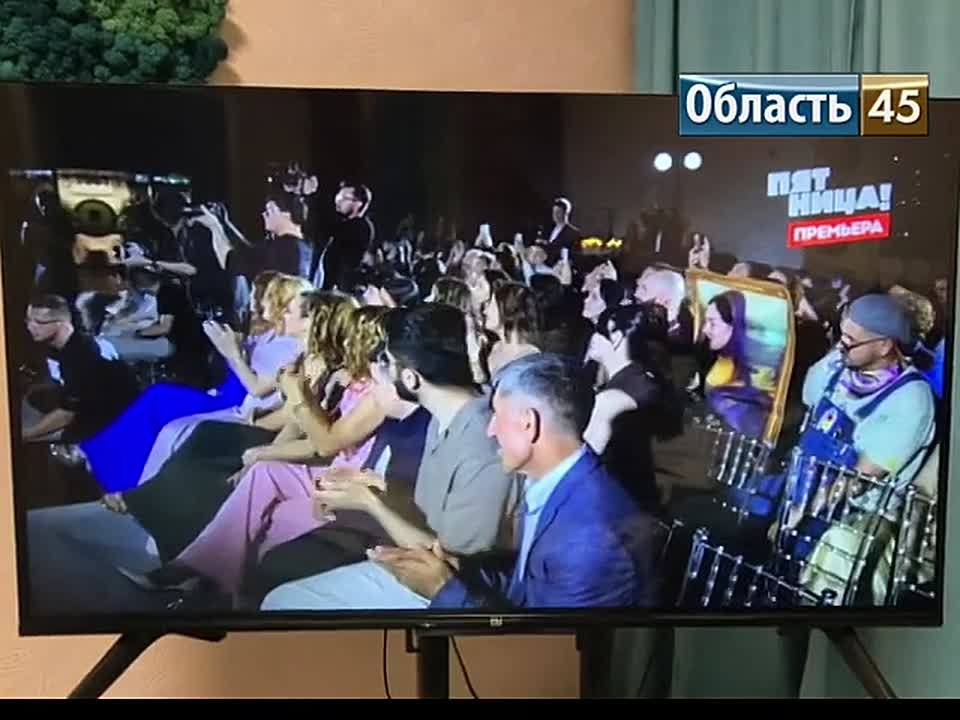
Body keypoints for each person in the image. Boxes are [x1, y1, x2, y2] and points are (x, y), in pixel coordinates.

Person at [260, 304, 520, 611]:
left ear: (410, 379)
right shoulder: (445, 417)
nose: (377, 373)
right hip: (441, 568)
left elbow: (449, 565)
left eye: (386, 363)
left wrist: (371, 503)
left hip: (464, 594)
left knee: (281, 600)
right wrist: (378, 486)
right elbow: (432, 513)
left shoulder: (483, 446)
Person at [369, 353, 659, 609]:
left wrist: (443, 590)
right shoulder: (552, 484)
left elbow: (545, 644)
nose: (490, 430)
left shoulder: (588, 542)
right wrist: (458, 570)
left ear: (528, 424)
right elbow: (527, 589)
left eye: (497, 415)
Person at [583, 303, 683, 512]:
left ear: (616, 336)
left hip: (617, 506)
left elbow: (582, 465)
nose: (592, 337)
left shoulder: (614, 398)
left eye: (598, 330)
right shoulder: (645, 381)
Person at [22, 294, 141, 444]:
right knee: (35, 396)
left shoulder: (82, 357)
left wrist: (26, 434)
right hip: (91, 403)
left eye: (39, 322)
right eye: (29, 320)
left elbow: (67, 415)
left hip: (114, 419)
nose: (30, 327)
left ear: (61, 323)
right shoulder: (65, 344)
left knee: (26, 436)